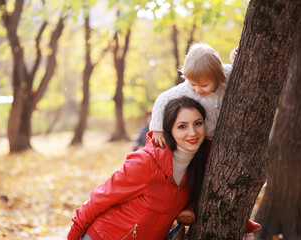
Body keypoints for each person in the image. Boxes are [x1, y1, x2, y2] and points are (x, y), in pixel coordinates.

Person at [149, 43, 261, 233]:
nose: (197, 89)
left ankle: (241, 217)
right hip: (203, 141)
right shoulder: (186, 88)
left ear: (218, 77)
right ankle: (190, 207)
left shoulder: (226, 75)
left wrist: (237, 57)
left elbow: (242, 70)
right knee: (199, 174)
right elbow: (162, 100)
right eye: (193, 84)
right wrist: (157, 128)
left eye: (203, 85)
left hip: (227, 140)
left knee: (235, 177)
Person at [67, 97, 207, 240]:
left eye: (198, 123)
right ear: (168, 130)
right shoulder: (146, 162)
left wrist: (189, 208)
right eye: (182, 126)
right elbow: (98, 200)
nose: (193, 133)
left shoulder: (197, 167)